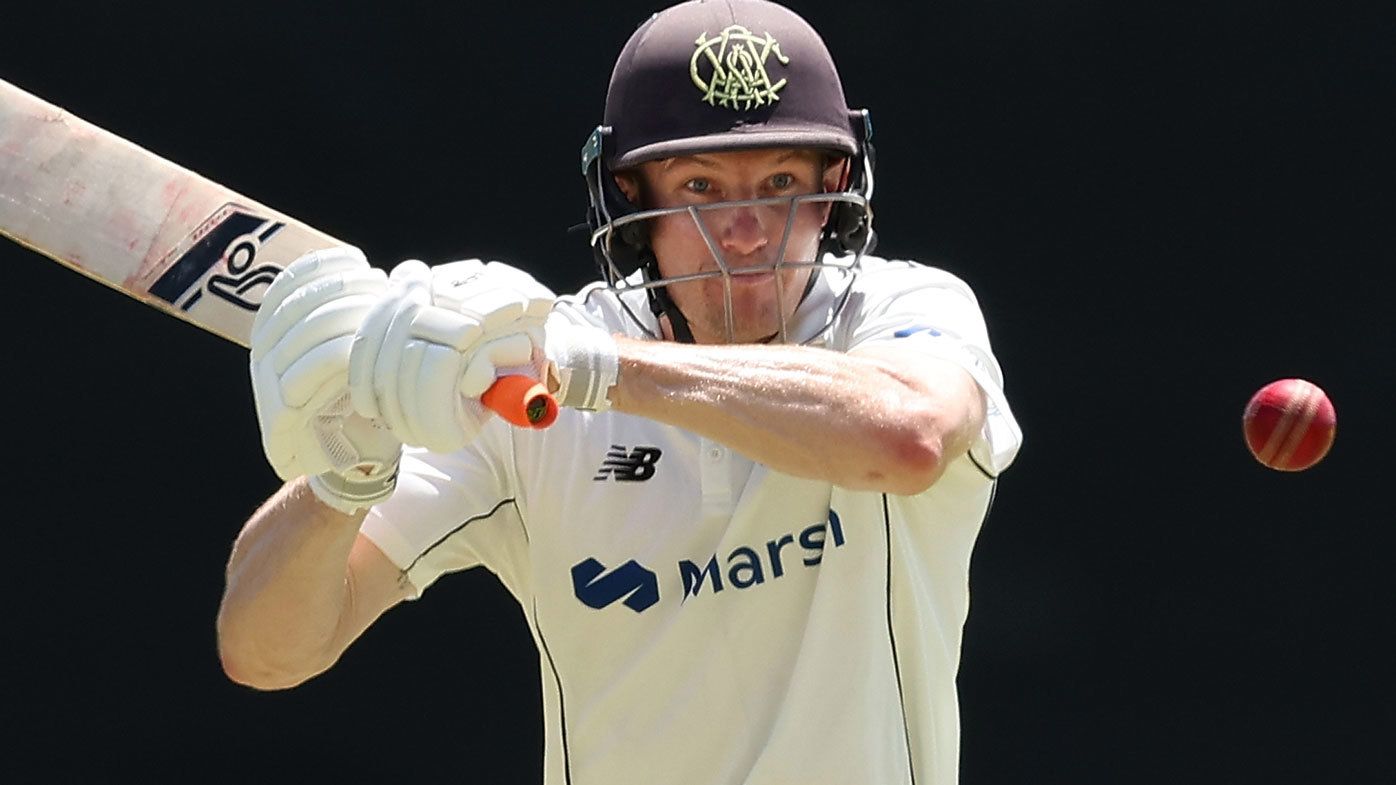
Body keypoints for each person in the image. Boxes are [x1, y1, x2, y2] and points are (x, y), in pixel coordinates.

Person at [216, 1, 1023, 783]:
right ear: (631, 199)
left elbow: (909, 436)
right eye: (703, 188)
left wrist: (599, 369)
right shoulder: (529, 389)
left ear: (835, 185)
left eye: (779, 181)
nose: (745, 234)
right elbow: (265, 651)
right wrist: (347, 476)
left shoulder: (905, 313)